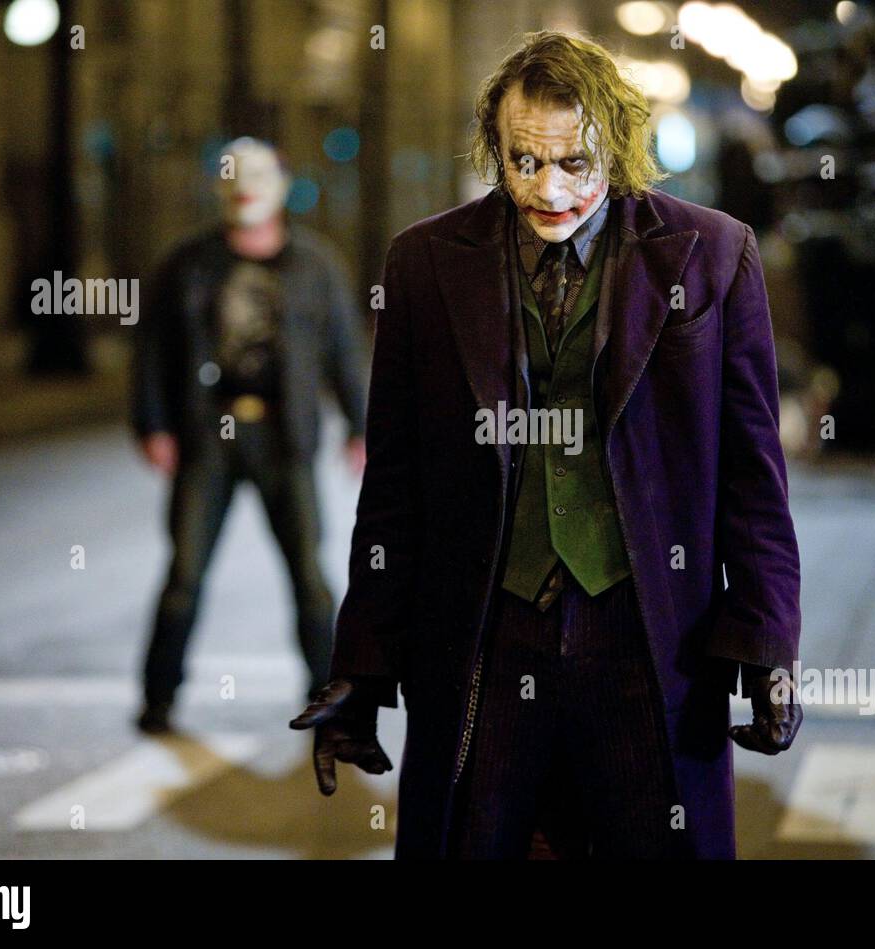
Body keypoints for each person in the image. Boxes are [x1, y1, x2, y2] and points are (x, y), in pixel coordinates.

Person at [292, 32, 802, 859]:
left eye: (575, 163)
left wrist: (767, 643)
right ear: (494, 148)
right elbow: (393, 489)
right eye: (524, 161)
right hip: (486, 641)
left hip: (648, 642)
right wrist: (364, 663)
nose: (549, 188)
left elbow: (752, 479)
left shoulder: (713, 255)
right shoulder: (424, 263)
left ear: (619, 145)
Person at [132, 137, 369, 734]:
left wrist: (360, 426)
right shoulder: (188, 263)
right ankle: (158, 698)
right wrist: (153, 424)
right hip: (207, 434)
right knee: (185, 574)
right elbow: (154, 349)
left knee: (309, 576)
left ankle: (328, 699)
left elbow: (344, 352)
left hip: (284, 436)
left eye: (259, 179)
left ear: (281, 187)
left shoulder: (314, 266)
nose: (246, 192)